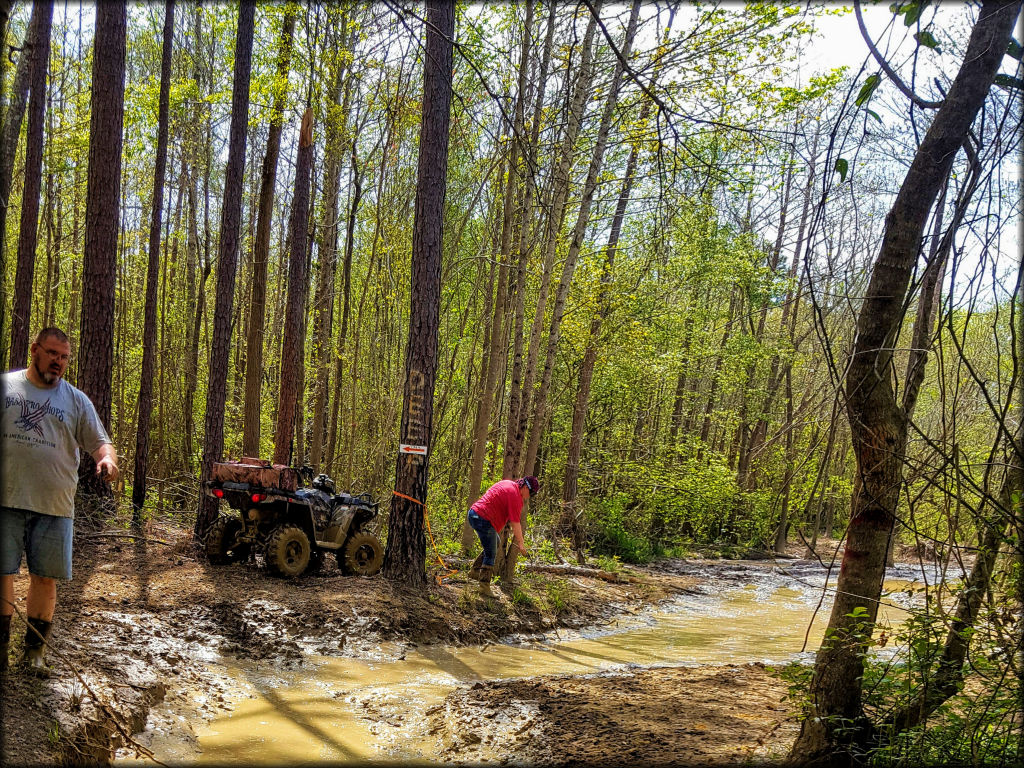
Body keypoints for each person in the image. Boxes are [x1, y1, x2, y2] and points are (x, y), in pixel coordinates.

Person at [1, 327, 118, 675]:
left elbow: (100, 440)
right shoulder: (7, 387)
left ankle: (34, 653)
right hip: (5, 498)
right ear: (35, 350)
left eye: (64, 357)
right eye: (53, 353)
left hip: (54, 503)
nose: (59, 362)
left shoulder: (76, 400)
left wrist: (106, 459)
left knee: (45, 577)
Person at [466, 476, 538, 596]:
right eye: (531, 493)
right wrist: (521, 544)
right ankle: (484, 586)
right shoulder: (516, 497)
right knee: (491, 552)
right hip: (483, 519)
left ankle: (475, 572)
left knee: (495, 543)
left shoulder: (507, 483)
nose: (530, 496)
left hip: (473, 513)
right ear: (525, 487)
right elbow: (515, 523)